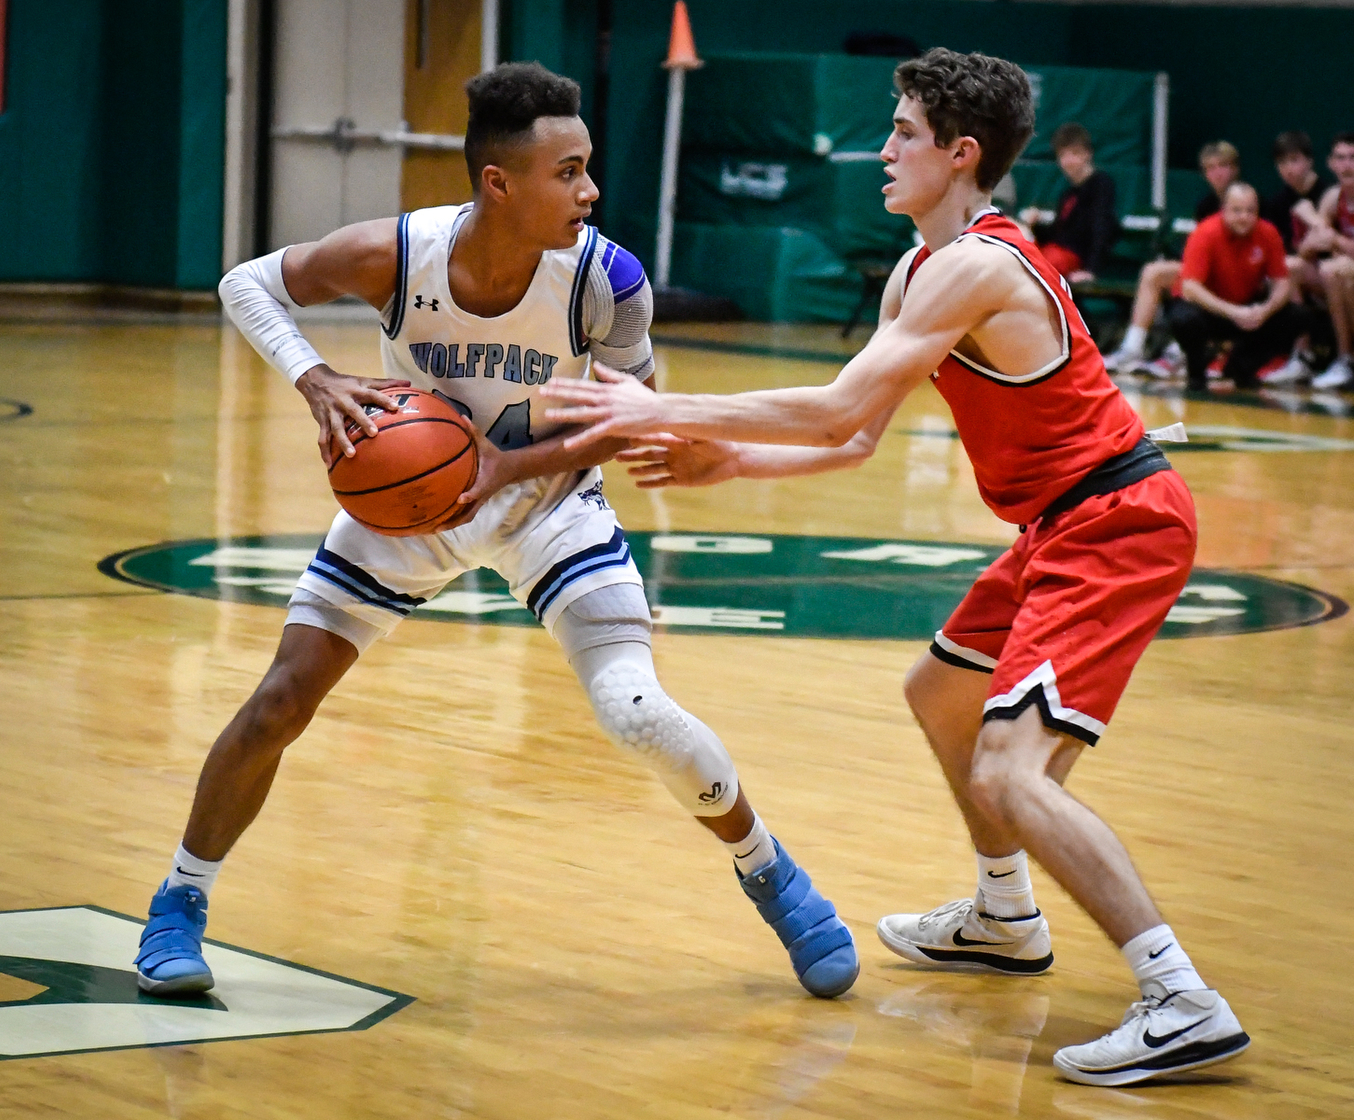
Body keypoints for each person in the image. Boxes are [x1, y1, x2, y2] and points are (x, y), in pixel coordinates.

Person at [544, 47, 1249, 1088]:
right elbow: (854, 438)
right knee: (938, 693)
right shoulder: (922, 269)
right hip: (1058, 525)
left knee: (1008, 770)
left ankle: (1176, 995)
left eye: (904, 133)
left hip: (1115, 520)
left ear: (960, 155)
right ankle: (1003, 913)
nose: (881, 150)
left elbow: (831, 405)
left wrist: (661, 406)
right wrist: (730, 459)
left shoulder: (977, 265)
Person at [131, 63, 858, 1003]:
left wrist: (504, 468)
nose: (591, 190)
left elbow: (632, 413)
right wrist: (317, 378)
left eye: (589, 167)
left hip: (549, 503)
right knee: (279, 702)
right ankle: (178, 902)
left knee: (636, 711)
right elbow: (246, 283)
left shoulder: (608, 277)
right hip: (413, 507)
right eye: (568, 171)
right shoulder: (396, 255)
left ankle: (769, 871)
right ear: (497, 182)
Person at [1104, 141, 1241, 374]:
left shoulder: (1245, 201)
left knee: (1192, 283)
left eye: (1223, 166)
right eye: (1211, 167)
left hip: (1237, 274)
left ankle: (1180, 351)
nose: (1217, 172)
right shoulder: (1206, 205)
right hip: (1205, 271)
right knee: (1153, 272)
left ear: (1235, 169)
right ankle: (1132, 348)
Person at [1166, 182, 1305, 392]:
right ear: (1224, 209)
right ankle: (1196, 373)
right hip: (1210, 309)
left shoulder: (1268, 233)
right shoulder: (1205, 232)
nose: (1244, 217)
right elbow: (1190, 288)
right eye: (1237, 210)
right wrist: (1233, 312)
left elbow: (1282, 283)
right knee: (1184, 319)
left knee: (1297, 317)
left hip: (1247, 307)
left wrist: (1265, 310)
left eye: (1250, 211)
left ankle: (1241, 368)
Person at [1260, 131, 1332, 385]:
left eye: (1294, 160)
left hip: (1331, 276)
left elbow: (1328, 244)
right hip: (1303, 279)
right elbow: (1282, 255)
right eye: (1282, 163)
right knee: (1285, 268)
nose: (1288, 169)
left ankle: (1303, 353)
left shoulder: (1329, 195)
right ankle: (1298, 354)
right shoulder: (1278, 203)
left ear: (1310, 160)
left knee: (1296, 268)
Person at [1019, 122, 1117, 285]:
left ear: (1088, 154)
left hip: (1072, 257)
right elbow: (1059, 233)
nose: (1068, 161)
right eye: (1063, 155)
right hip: (1055, 253)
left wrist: (1091, 270)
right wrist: (1034, 226)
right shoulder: (1068, 194)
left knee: (1036, 267)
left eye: (1074, 154)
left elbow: (1101, 228)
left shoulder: (1101, 185)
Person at [1302, 133, 1354, 389]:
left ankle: (1347, 357)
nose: (1347, 165)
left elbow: (1330, 239)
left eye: (1353, 158)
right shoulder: (1333, 198)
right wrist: (1311, 240)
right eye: (1341, 158)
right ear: (1331, 164)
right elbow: (1307, 249)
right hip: (1342, 277)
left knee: (1336, 270)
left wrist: (1331, 238)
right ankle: (1301, 356)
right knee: (1292, 268)